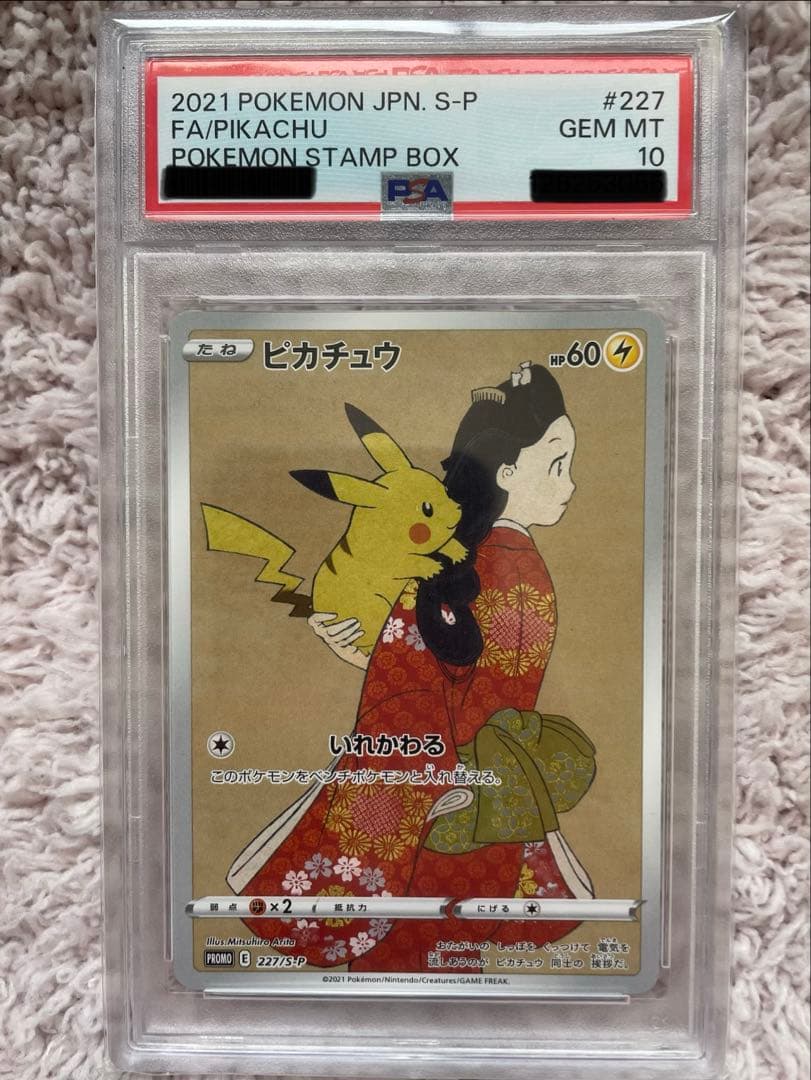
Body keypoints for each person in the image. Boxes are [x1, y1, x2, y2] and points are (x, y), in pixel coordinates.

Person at [228, 362, 596, 971]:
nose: (571, 483)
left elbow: (423, 689)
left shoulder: (459, 569)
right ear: (506, 472)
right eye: (558, 464)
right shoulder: (516, 568)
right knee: (443, 962)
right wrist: (369, 649)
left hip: (437, 804)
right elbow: (467, 677)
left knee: (404, 962)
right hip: (487, 804)